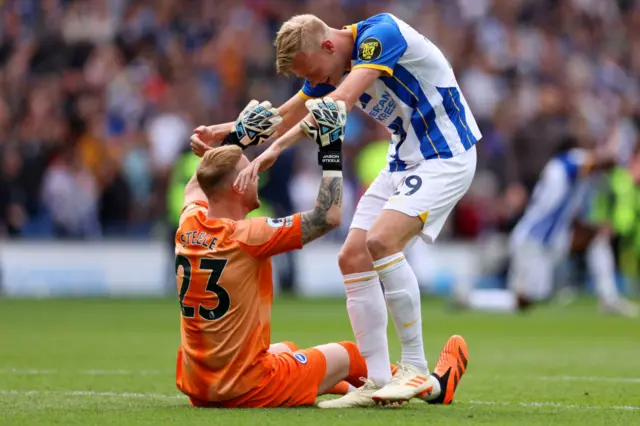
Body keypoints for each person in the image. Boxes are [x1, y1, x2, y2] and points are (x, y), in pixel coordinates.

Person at [190, 13, 474, 407]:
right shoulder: (328, 64)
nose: (319, 81)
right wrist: (225, 132)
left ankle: (414, 367)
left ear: (328, 45)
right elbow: (288, 112)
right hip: (403, 160)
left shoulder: (380, 36)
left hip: (445, 155)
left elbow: (336, 104)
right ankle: (376, 380)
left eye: (314, 72)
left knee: (381, 241)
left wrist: (274, 149)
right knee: (352, 256)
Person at [457, 133, 638, 316]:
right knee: (523, 300)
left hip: (552, 240)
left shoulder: (561, 170)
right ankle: (471, 298)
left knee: (596, 239)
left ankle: (608, 299)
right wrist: (616, 153)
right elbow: (597, 162)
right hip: (534, 241)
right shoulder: (567, 161)